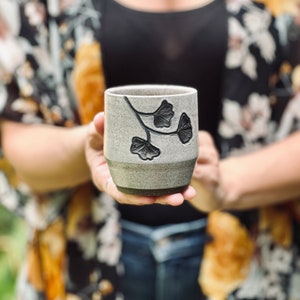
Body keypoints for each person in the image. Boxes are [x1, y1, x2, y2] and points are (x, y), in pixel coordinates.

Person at [0, 1, 299, 300]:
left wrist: (228, 183)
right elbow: (19, 137)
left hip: (252, 262)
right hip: (84, 262)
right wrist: (91, 144)